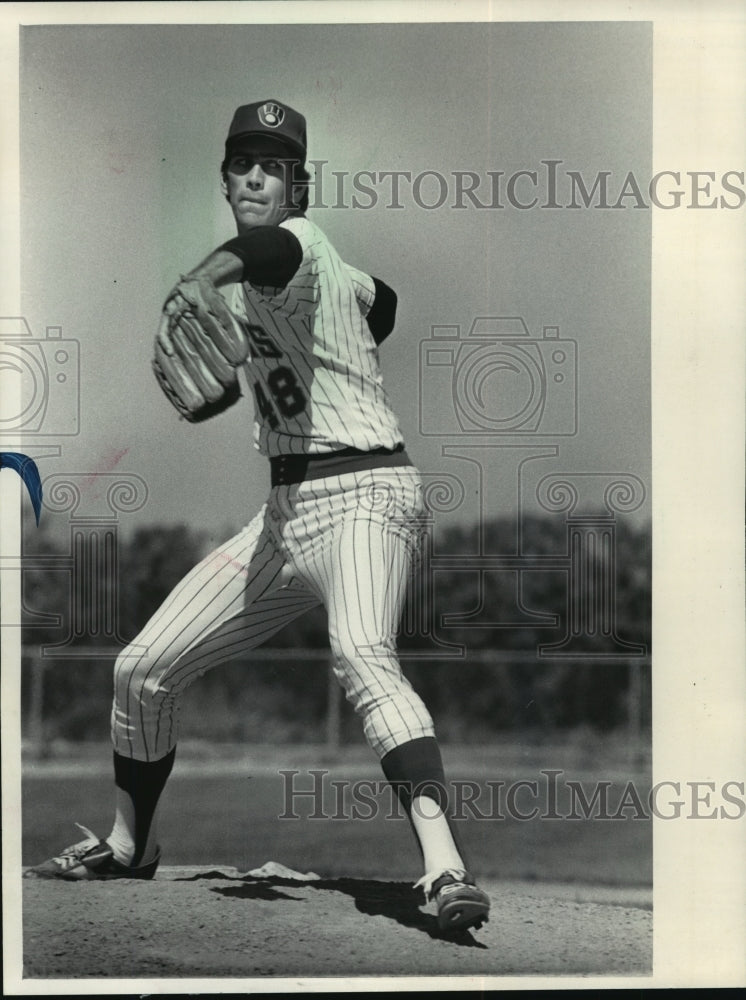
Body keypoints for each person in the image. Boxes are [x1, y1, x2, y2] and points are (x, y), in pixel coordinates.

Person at [26, 99, 490, 934]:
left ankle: (445, 870)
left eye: (272, 167)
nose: (254, 176)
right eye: (242, 162)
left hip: (369, 497)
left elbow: (267, 251)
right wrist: (357, 311)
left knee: (361, 652)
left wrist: (203, 275)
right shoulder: (323, 275)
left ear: (296, 185)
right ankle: (130, 845)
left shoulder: (299, 243)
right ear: (225, 175)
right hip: (284, 514)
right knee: (141, 669)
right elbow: (385, 302)